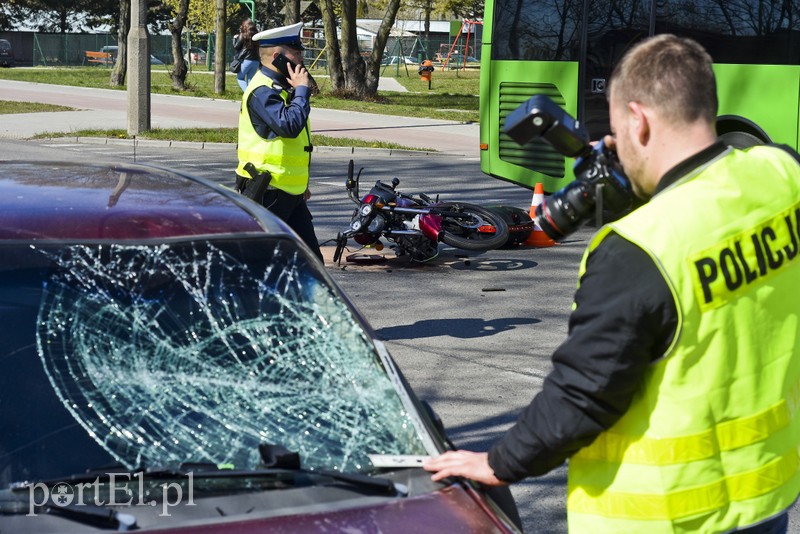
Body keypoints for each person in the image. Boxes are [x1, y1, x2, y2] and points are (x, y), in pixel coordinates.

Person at [424, 34, 800, 533]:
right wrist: (653, 185)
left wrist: (498, 463)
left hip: (665, 516)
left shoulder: (638, 249)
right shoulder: (781, 172)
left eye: (619, 127)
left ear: (639, 121)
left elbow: (583, 394)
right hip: (765, 497)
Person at [234, 21, 323, 263]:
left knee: (311, 264)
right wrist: (302, 91)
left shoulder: (282, 87)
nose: (301, 58)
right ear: (277, 56)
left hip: (289, 194)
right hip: (267, 192)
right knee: (263, 264)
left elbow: (292, 144)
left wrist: (300, 184)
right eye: (295, 52)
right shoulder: (262, 91)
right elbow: (289, 126)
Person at [233, 19, 260, 91]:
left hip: (246, 60)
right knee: (250, 79)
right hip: (256, 61)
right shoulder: (257, 36)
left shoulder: (243, 35)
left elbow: (236, 46)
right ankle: (252, 97)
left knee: (240, 78)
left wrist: (235, 39)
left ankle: (248, 94)